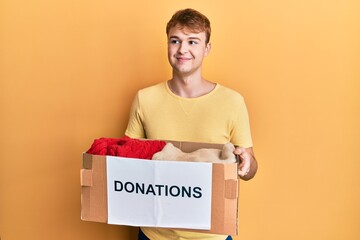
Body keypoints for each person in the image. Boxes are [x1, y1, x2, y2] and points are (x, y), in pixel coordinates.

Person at [125, 8, 258, 240]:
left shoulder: (232, 102)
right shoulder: (145, 99)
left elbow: (250, 169)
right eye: (175, 41)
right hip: (154, 233)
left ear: (207, 48)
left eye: (192, 42)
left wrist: (246, 164)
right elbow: (126, 161)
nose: (182, 49)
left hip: (212, 235)